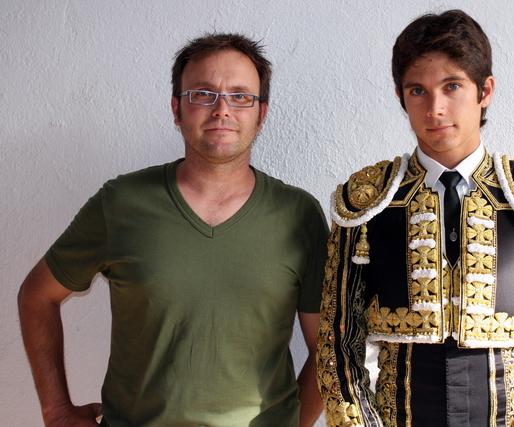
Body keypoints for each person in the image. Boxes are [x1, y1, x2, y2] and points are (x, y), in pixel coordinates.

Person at [18, 33, 328, 427]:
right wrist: (55, 410)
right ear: (176, 109)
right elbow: (36, 295)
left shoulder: (299, 214)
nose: (222, 110)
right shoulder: (121, 203)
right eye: (202, 94)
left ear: (261, 114)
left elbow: (328, 348)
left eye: (240, 95)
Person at [317, 10, 514, 427]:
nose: (436, 108)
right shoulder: (366, 203)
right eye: (417, 90)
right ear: (400, 96)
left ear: (485, 91)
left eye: (452, 86)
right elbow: (337, 345)